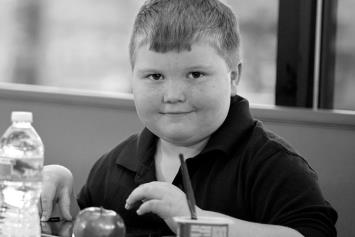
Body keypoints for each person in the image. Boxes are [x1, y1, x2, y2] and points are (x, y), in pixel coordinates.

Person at [39, 0, 338, 236]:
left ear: (233, 77)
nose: (173, 94)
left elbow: (312, 232)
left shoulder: (270, 162)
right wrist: (58, 202)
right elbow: (84, 229)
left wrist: (194, 222)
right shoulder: (115, 164)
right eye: (154, 76)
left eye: (195, 74)